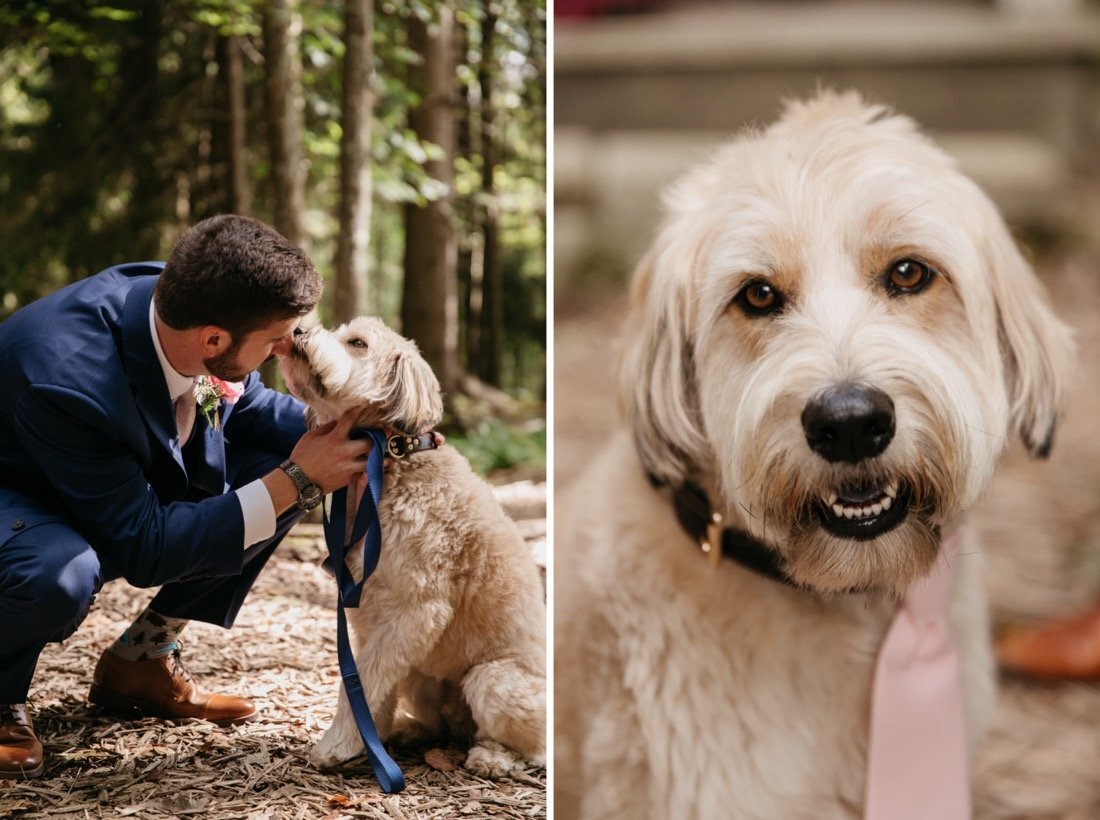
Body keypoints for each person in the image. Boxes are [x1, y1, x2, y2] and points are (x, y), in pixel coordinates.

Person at [0, 215, 371, 780]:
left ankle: (143, 658)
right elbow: (145, 548)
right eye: (275, 339)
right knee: (58, 572)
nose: (281, 350)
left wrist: (360, 430)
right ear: (214, 341)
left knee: (284, 469)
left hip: (102, 473)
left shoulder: (191, 304)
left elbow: (248, 410)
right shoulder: (68, 377)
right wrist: (301, 479)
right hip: (17, 493)